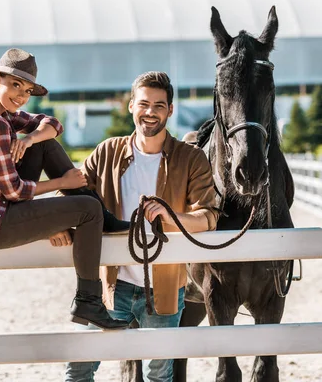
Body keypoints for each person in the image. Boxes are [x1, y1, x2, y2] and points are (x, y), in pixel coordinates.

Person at [0, 48, 129, 330]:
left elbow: (53, 124)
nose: (21, 96)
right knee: (88, 210)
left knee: (44, 143)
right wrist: (62, 184)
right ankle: (88, 301)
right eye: (15, 85)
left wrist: (30, 138)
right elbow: (14, 191)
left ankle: (101, 218)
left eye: (27, 90)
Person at [64, 71, 220, 381]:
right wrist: (60, 226)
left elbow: (209, 216)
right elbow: (71, 193)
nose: (151, 112)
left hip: (164, 287)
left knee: (158, 376)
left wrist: (169, 217)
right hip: (112, 284)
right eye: (144, 104)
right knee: (78, 366)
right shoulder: (107, 152)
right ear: (131, 106)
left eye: (159, 105)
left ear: (170, 110)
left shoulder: (191, 159)